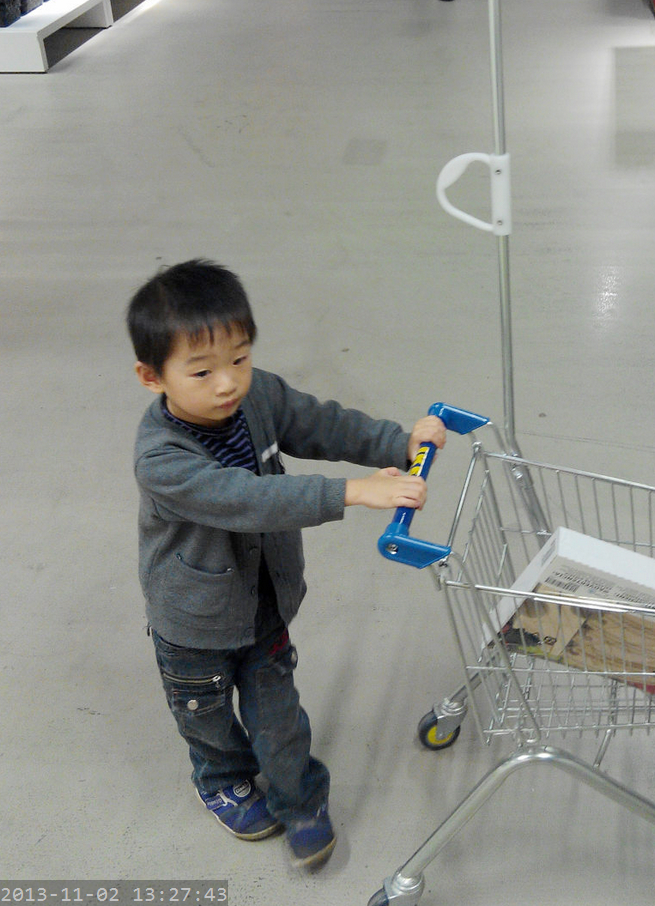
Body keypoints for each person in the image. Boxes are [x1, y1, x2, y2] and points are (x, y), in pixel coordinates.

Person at [127, 259, 444, 871]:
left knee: (278, 717)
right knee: (207, 720)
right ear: (151, 376)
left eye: (240, 358)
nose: (228, 383)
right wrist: (354, 492)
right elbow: (248, 500)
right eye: (202, 371)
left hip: (265, 604)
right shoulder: (161, 459)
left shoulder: (259, 396)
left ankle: (300, 801)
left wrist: (397, 443)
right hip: (192, 625)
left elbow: (321, 423)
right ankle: (221, 778)